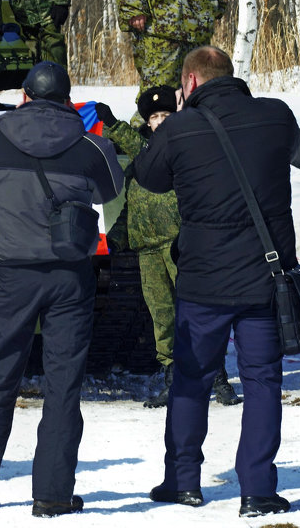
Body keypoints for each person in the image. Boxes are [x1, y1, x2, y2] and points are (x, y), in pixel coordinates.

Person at [134, 46, 300, 517]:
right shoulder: (275, 116)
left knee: (190, 379)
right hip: (264, 279)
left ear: (188, 83)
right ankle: (258, 491)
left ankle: (183, 481)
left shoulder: (180, 128)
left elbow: (148, 177)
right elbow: (291, 149)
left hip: (203, 282)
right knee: (263, 381)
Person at [0, 61, 124, 517]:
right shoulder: (92, 144)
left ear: (25, 95)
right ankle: (51, 494)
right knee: (64, 383)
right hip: (71, 275)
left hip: (13, 274)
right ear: (68, 99)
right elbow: (110, 191)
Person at [98, 87, 241, 408]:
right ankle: (172, 377)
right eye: (154, 118)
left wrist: (114, 126)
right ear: (147, 122)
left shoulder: (181, 147)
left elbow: (146, 149)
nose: (160, 122)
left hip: (183, 246)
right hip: (148, 249)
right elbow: (130, 205)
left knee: (198, 313)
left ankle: (217, 376)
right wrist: (116, 238)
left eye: (165, 116)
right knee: (162, 316)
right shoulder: (139, 161)